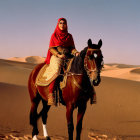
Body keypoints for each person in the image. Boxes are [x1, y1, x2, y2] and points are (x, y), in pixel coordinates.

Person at [45, 18, 79, 105]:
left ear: (66, 25)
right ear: (58, 24)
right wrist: (58, 55)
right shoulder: (54, 35)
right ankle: (51, 94)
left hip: (68, 56)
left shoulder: (69, 36)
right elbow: (51, 48)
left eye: (64, 23)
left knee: (79, 66)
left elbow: (72, 48)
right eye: (60, 23)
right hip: (57, 56)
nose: (62, 25)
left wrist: (76, 52)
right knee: (57, 70)